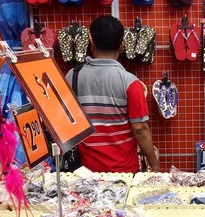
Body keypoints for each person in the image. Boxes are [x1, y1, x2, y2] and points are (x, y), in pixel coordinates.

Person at [66, 15, 160, 173]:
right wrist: (154, 165)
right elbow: (140, 129)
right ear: (122, 46)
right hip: (125, 172)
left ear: (92, 43)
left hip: (85, 173)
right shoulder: (131, 83)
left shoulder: (72, 77)